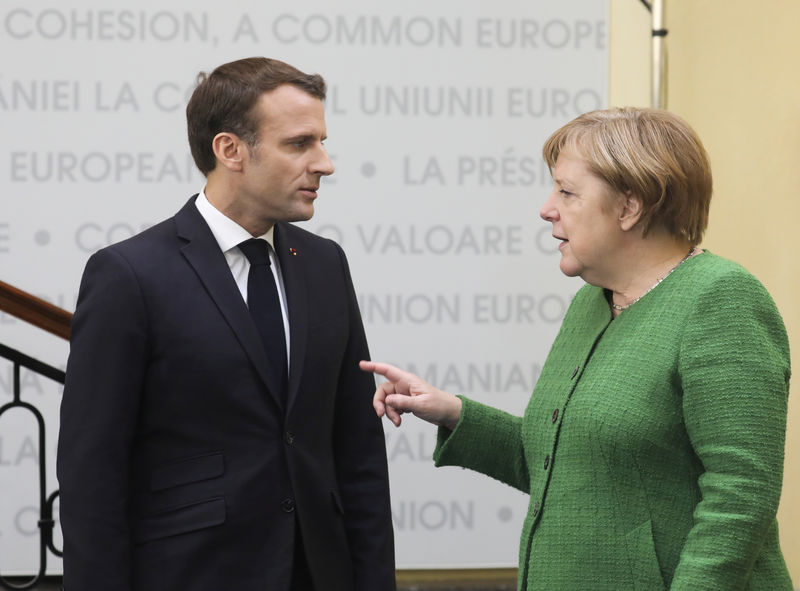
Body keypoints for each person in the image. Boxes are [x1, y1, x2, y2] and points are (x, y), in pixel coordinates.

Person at [361, 107, 793, 590]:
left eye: (567, 192)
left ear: (630, 207)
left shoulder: (721, 299)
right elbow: (562, 469)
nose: (547, 208)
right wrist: (451, 412)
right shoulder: (592, 302)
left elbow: (742, 495)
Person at [57, 57, 395, 591]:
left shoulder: (326, 264)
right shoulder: (129, 275)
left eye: (322, 142)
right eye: (299, 143)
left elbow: (358, 455)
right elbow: (91, 475)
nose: (324, 163)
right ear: (230, 150)